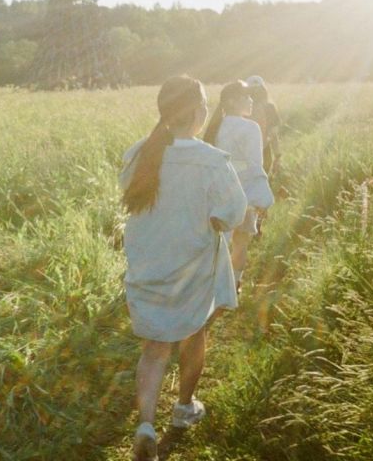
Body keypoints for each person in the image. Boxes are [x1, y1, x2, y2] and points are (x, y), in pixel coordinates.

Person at [120, 75, 247, 460]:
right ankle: (184, 408)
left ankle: (145, 423)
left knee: (154, 348)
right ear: (196, 111)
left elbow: (130, 196)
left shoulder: (138, 153)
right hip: (191, 270)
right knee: (194, 335)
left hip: (148, 264)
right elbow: (233, 213)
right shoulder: (210, 160)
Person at [203, 81, 275, 289]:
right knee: (241, 243)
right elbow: (255, 166)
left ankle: (214, 283)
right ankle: (233, 285)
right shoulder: (250, 127)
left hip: (219, 193)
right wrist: (263, 197)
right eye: (246, 97)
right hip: (244, 193)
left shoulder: (214, 127)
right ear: (232, 101)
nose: (251, 100)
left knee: (219, 242)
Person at [244, 75, 281, 177]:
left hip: (244, 153)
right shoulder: (270, 107)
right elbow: (274, 134)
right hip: (264, 151)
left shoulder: (241, 108)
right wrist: (277, 156)